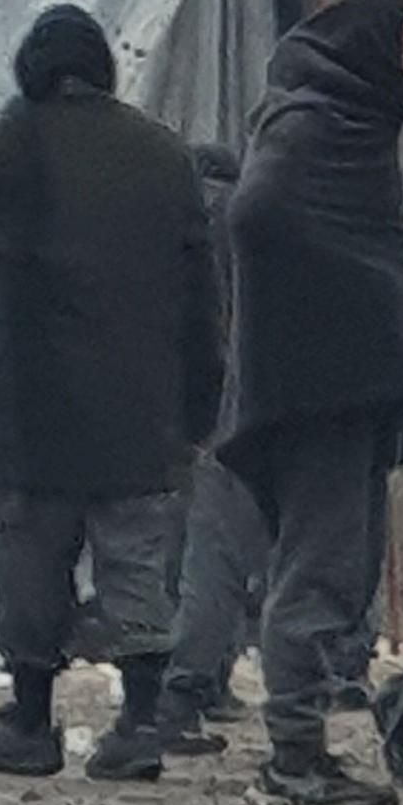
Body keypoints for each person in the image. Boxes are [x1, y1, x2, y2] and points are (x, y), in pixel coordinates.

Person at [0, 4, 225, 782]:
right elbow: (203, 292)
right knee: (135, 565)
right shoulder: (163, 153)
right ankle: (138, 723)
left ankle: (30, 722)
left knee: (30, 567)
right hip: (140, 407)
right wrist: (200, 402)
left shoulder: (18, 137)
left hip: (31, 406)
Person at [218, 0, 403, 805]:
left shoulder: (352, 125)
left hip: (351, 387)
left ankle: (308, 743)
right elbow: (263, 219)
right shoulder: (314, 125)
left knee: (342, 566)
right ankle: (292, 756)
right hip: (317, 388)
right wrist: (353, 307)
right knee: (315, 570)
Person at [161, 142, 271, 746]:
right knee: (231, 558)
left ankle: (182, 689)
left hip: (192, 414)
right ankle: (208, 681)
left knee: (195, 557)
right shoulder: (259, 218)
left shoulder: (173, 232)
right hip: (255, 405)